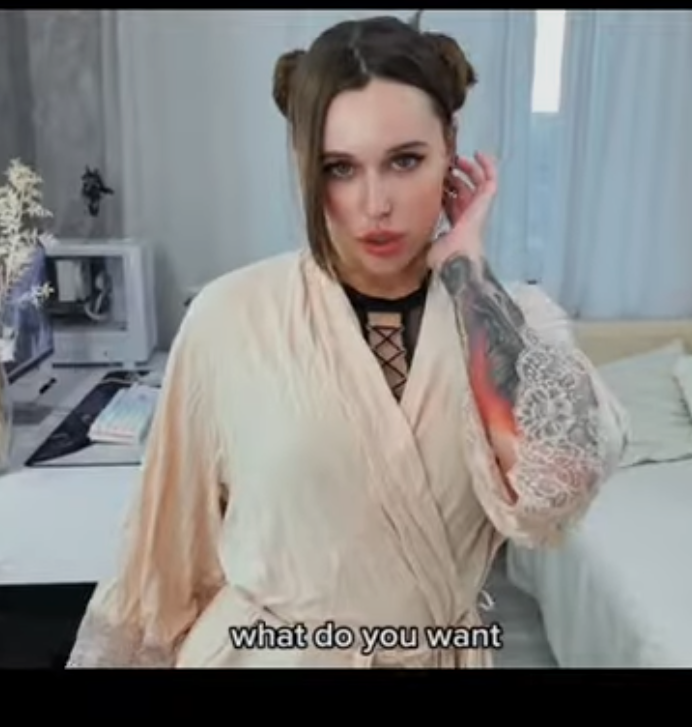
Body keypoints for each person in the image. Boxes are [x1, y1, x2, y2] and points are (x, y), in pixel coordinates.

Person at [66, 13, 627, 669]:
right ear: (303, 163)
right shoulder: (229, 317)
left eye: (405, 161)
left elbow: (555, 487)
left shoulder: (513, 320)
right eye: (339, 168)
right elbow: (163, 554)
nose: (375, 203)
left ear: (450, 147)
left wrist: (468, 273)